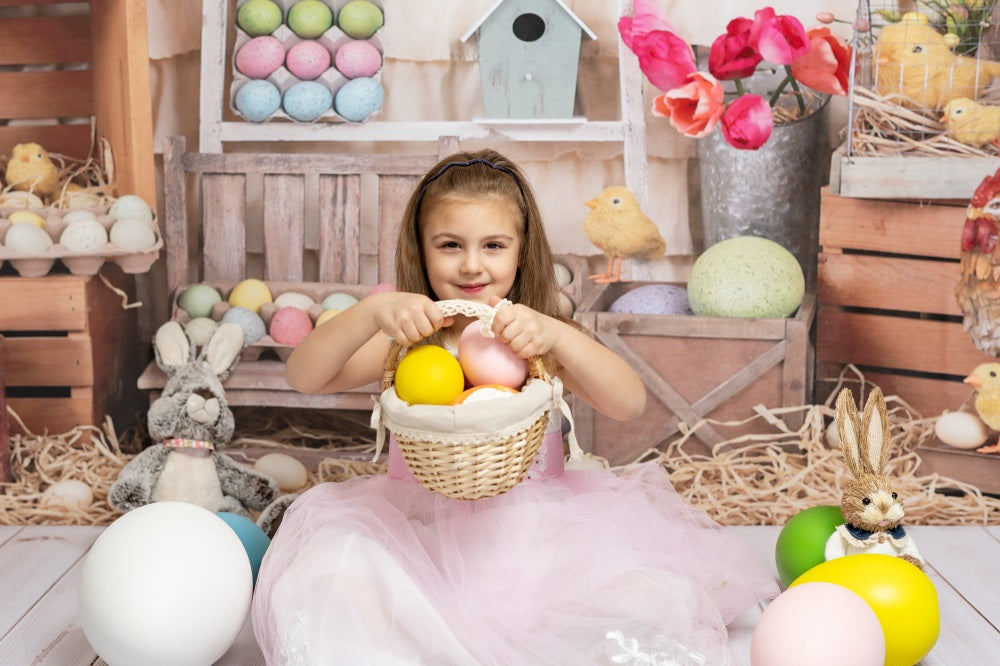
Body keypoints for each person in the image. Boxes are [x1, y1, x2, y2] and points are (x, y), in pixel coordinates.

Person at [252, 150, 779, 665]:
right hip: (421, 529)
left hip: (533, 533)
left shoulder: (533, 335)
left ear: (523, 253)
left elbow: (627, 402)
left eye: (494, 245)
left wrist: (555, 333)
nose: (472, 264)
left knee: (635, 601)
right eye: (450, 245)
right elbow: (305, 376)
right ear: (422, 250)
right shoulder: (410, 337)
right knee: (331, 574)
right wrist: (371, 312)